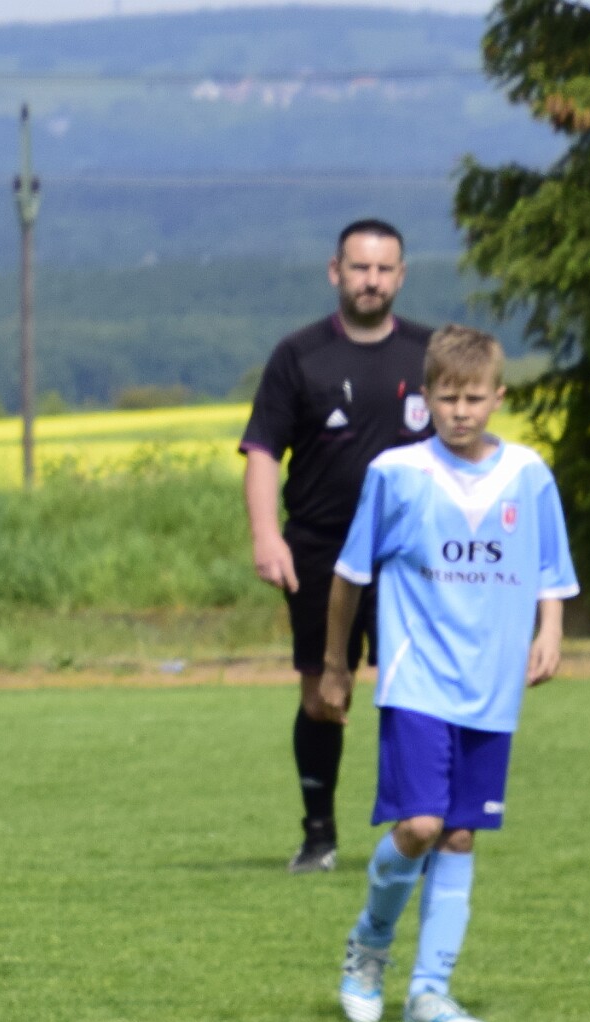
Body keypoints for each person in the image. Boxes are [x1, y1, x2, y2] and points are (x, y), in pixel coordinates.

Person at [309, 325, 574, 1022]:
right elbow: (349, 576)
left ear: (498, 397)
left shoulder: (529, 475)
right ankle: (369, 946)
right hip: (416, 679)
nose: (461, 411)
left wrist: (549, 631)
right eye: (448, 398)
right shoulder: (397, 474)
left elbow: (551, 569)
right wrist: (335, 665)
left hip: (491, 686)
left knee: (459, 835)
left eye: (474, 398)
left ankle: (430, 991)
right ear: (425, 398)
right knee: (421, 825)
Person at [241, 218, 434, 872]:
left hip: (412, 557)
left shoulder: (430, 353)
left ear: (401, 276)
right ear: (335, 272)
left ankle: (419, 826)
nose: (371, 280)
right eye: (359, 268)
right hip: (322, 550)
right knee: (324, 693)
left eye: (383, 269)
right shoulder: (299, 355)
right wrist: (267, 535)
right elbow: (262, 450)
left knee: (416, 696)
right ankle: (318, 836)